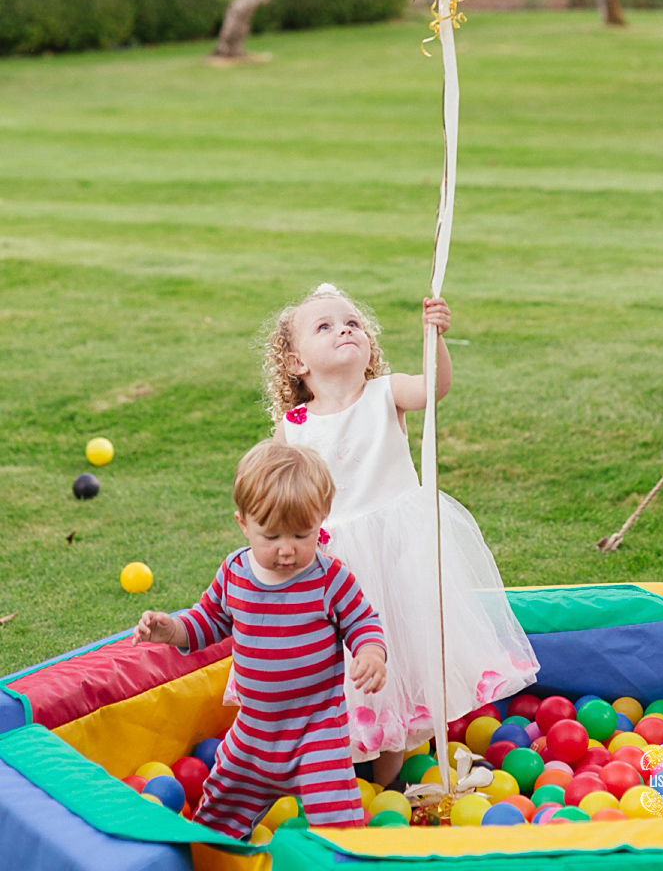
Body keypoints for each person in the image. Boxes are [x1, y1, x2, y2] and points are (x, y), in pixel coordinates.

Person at [264, 283, 539, 786]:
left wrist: (434, 337)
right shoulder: (294, 427)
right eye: (324, 327)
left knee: (399, 654)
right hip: (333, 561)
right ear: (296, 363)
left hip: (397, 549)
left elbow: (434, 387)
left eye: (352, 323)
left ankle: (388, 780)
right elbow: (283, 493)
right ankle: (340, 768)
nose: (344, 329)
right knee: (343, 665)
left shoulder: (383, 393)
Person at [132, 441, 386, 838]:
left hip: (317, 733)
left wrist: (371, 653)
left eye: (303, 535)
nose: (287, 550)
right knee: (215, 823)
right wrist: (171, 630)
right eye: (271, 537)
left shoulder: (329, 579)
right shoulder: (235, 572)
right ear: (243, 524)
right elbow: (209, 622)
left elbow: (363, 622)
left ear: (322, 519)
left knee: (339, 831)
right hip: (252, 734)